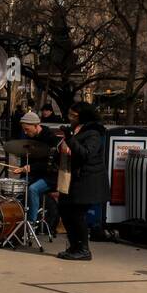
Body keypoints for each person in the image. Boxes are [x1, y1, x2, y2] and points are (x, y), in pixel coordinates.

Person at [57, 102, 107, 261]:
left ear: (83, 116)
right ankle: (74, 246)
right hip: (73, 178)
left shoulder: (94, 133)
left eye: (73, 115)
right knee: (65, 211)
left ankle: (83, 249)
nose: (70, 118)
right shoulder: (78, 129)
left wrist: (70, 138)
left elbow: (85, 154)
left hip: (87, 180)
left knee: (77, 214)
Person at [10, 110, 58, 232]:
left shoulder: (50, 138)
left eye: (27, 129)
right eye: (24, 129)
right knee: (17, 187)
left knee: (33, 189)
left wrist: (31, 168)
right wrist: (22, 170)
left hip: (50, 176)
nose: (25, 132)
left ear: (36, 126)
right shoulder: (28, 138)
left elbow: (51, 163)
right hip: (34, 174)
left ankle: (31, 225)